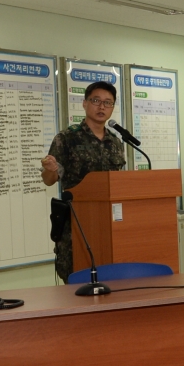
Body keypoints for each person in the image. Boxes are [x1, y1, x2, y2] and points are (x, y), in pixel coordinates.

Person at [41, 80, 128, 282]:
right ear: (85, 103)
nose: (102, 107)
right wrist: (49, 169)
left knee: (110, 282)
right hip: (76, 226)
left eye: (108, 103)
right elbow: (49, 180)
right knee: (75, 283)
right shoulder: (67, 138)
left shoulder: (115, 142)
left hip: (108, 226)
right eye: (96, 100)